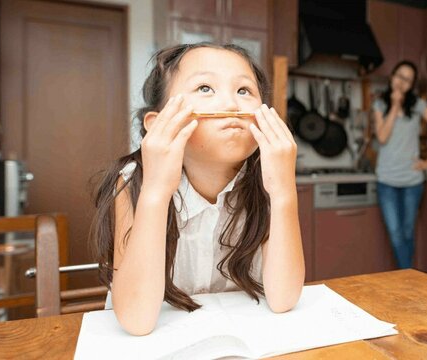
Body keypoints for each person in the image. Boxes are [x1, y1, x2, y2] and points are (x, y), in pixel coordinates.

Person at [91, 43, 304, 335]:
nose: (232, 104)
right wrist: (156, 191)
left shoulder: (268, 179)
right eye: (205, 88)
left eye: (244, 91)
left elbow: (284, 299)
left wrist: (283, 193)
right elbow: (136, 321)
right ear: (158, 124)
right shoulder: (134, 181)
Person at [372, 60, 427, 269]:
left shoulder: (417, 105)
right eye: (400, 76)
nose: (402, 82)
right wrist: (395, 105)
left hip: (412, 181)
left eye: (408, 80)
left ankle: (406, 278)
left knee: (407, 232)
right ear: (392, 77)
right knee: (396, 233)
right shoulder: (380, 105)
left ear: (412, 84)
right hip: (387, 180)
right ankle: (407, 277)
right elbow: (382, 137)